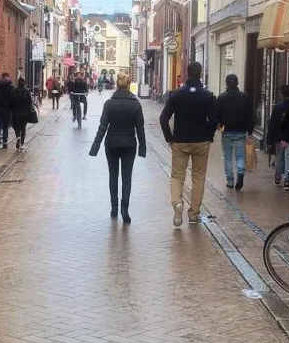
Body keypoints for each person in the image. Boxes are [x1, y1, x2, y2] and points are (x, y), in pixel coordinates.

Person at [159, 62, 217, 227]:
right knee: (198, 177)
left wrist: (169, 138)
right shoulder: (208, 96)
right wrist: (209, 135)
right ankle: (193, 213)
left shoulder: (176, 95)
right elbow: (213, 120)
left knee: (177, 176)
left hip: (180, 141)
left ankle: (177, 203)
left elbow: (163, 118)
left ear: (187, 73)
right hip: (201, 141)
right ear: (200, 73)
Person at [89, 73, 146, 223]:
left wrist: (95, 146)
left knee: (113, 176)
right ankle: (125, 210)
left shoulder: (109, 104)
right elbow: (140, 128)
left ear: (117, 85)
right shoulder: (136, 104)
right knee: (127, 178)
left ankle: (114, 208)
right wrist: (142, 148)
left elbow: (103, 126)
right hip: (129, 145)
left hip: (112, 144)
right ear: (128, 86)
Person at [216, 74, 254, 190]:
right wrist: (250, 131)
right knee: (240, 155)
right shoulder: (244, 97)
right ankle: (240, 173)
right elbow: (249, 115)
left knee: (227, 156)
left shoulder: (222, 97)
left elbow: (216, 114)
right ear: (237, 83)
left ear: (226, 83)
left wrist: (219, 125)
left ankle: (230, 181)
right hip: (240, 131)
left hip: (226, 131)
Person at [266, 85, 289, 188]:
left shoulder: (277, 107)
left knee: (279, 158)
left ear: (282, 95)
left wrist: (269, 139)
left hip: (279, 137)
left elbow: (272, 124)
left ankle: (277, 178)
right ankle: (287, 181)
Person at [10, 78, 32, 150]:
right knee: (23, 128)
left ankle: (18, 137)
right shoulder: (27, 91)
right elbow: (30, 103)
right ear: (24, 84)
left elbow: (11, 102)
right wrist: (29, 112)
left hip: (16, 113)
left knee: (17, 127)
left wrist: (12, 110)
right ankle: (22, 144)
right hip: (25, 114)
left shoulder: (15, 91)